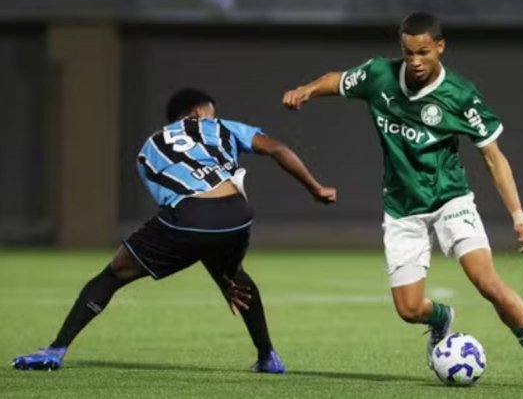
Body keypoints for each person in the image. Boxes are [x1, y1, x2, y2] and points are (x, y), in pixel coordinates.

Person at [282, 12, 523, 390]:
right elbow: (338, 80)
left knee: (487, 283)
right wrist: (306, 89)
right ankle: (440, 318)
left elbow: (494, 157)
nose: (416, 61)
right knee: (408, 309)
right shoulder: (379, 75)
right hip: (402, 208)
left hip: (451, 200)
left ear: (440, 47)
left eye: (424, 52)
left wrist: (518, 216)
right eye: (409, 53)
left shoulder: (461, 96)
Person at [13, 88, 336, 373]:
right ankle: (268, 356)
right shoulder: (220, 127)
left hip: (192, 216)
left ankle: (55, 350)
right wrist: (316, 188)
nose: (213, 117)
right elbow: (278, 149)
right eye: (211, 112)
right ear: (199, 112)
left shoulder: (148, 149)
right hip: (238, 214)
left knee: (113, 273)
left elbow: (190, 224)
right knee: (236, 278)